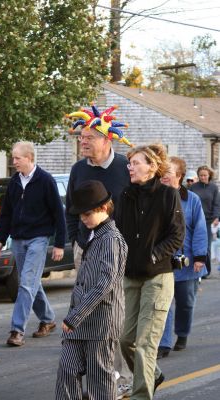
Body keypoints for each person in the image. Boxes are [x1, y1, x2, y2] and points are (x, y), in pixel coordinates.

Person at [66, 103, 133, 398]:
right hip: (85, 249)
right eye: (81, 137)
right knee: (84, 313)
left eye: (89, 137)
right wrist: (74, 241)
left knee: (111, 317)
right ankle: (93, 377)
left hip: (116, 251)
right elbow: (70, 209)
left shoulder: (124, 168)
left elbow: (135, 211)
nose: (83, 141)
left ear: (106, 139)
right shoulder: (78, 169)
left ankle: (120, 378)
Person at [116, 144, 185, 400]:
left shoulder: (168, 195)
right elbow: (119, 232)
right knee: (126, 340)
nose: (130, 167)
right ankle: (152, 374)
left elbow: (177, 235)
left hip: (158, 277)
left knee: (145, 343)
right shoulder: (125, 195)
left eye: (135, 163)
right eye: (130, 163)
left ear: (152, 167)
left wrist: (153, 254)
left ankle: (141, 395)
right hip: (131, 276)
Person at [55, 180, 128, 400]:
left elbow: (104, 283)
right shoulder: (95, 234)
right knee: (67, 371)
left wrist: (74, 316)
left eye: (87, 214)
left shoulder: (111, 239)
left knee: (99, 382)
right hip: (80, 321)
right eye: (80, 215)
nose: (83, 219)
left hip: (101, 322)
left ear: (104, 208)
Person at [0, 141, 66, 346]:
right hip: (17, 239)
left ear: (29, 158)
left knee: (25, 283)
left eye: (17, 158)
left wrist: (59, 243)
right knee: (31, 282)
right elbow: (6, 213)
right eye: (13, 158)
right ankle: (48, 319)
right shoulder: (15, 181)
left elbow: (58, 214)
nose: (13, 161)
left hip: (38, 239)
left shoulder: (45, 180)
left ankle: (17, 330)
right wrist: (0, 239)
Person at [158, 157, 208, 358]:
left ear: (179, 176)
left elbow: (200, 230)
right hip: (163, 261)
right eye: (161, 172)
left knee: (186, 302)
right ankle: (164, 343)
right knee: (164, 303)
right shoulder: (156, 198)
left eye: (168, 172)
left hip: (187, 262)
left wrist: (199, 257)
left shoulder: (192, 200)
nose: (163, 176)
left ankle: (182, 333)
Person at [190, 165, 220, 276]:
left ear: (209, 175)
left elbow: (217, 204)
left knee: (206, 246)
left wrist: (216, 217)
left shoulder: (214, 188)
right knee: (194, 244)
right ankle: (196, 269)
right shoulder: (193, 187)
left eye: (205, 175)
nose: (203, 177)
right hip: (194, 219)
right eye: (201, 175)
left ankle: (206, 271)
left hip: (208, 221)